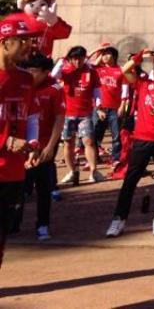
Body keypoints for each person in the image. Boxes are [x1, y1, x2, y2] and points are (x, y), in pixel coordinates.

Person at [105, 50, 154, 238]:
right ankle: (118, 219)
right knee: (130, 181)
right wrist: (140, 56)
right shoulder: (144, 84)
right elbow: (124, 71)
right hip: (141, 139)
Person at [0, 13, 44, 267]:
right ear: (5, 42)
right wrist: (6, 142)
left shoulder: (26, 79)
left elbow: (32, 117)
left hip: (13, 173)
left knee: (2, 237)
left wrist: (33, 144)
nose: (29, 46)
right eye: (23, 40)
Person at [21, 53, 64, 240]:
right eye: (28, 69)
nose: (30, 74)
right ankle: (13, 223)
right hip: (22, 147)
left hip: (44, 146)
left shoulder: (54, 88)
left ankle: (43, 225)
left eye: (34, 71)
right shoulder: (22, 86)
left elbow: (59, 119)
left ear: (46, 72)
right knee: (19, 187)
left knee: (43, 187)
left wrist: (50, 147)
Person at [53, 45, 104, 184]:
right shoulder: (65, 70)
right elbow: (52, 76)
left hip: (85, 114)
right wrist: (62, 59)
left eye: (80, 59)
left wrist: (99, 107)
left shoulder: (91, 71)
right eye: (74, 59)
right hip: (67, 113)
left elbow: (97, 90)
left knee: (89, 141)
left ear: (84, 58)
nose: (77, 62)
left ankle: (93, 171)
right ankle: (71, 171)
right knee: (68, 143)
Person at [90, 44, 130, 166]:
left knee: (116, 135)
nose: (105, 56)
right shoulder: (97, 70)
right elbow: (89, 63)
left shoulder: (120, 70)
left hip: (115, 108)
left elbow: (125, 88)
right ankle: (94, 157)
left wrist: (123, 105)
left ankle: (116, 158)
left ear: (114, 56)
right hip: (99, 108)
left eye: (108, 54)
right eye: (103, 54)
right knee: (95, 135)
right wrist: (98, 50)